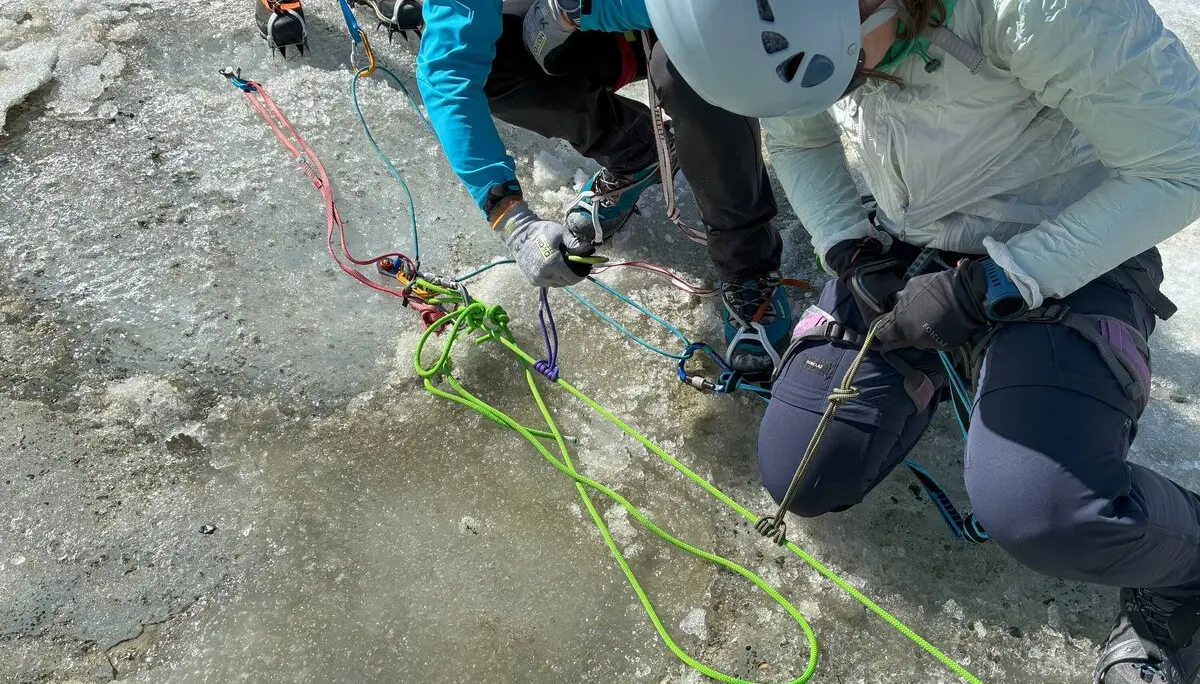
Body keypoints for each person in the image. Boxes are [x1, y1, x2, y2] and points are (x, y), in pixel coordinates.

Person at [646, 0, 1200, 682]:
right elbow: (800, 140)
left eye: (848, 69)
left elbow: (1181, 164)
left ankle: (1186, 576)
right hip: (909, 240)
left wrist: (999, 281)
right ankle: (946, 368)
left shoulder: (1036, 10)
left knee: (1046, 511)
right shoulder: (784, 24)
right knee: (803, 473)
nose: (848, 88)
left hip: (1074, 244)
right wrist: (847, 247)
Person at [414, 0, 791, 376]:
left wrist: (582, 10)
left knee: (692, 61)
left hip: (698, 12)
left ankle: (748, 262)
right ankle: (637, 151)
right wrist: (510, 219)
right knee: (498, 57)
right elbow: (448, 71)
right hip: (594, 22)